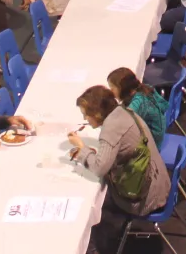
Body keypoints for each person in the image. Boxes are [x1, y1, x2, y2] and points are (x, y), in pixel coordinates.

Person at [67, 85, 170, 254]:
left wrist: (81, 148)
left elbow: (99, 168)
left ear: (97, 113)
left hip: (147, 198)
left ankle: (96, 249)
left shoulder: (111, 129)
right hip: (158, 182)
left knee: (95, 205)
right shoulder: (124, 112)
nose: (85, 118)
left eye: (86, 114)